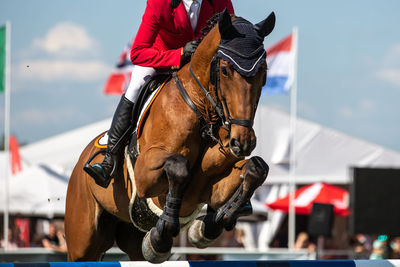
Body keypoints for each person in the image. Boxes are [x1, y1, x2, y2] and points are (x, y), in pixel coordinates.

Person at [85, 0, 235, 188]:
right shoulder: (160, 2)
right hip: (161, 60)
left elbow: (231, 37)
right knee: (137, 84)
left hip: (198, 69)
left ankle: (232, 162)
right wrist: (179, 54)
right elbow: (138, 53)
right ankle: (109, 159)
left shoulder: (220, 2)